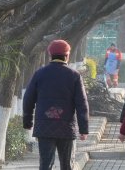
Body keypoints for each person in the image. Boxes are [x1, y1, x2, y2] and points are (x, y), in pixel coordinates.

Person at [22, 39, 90, 170]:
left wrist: (28, 122)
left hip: (44, 127)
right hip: (66, 128)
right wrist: (83, 129)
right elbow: (82, 104)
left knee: (45, 164)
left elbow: (28, 99)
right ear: (67, 55)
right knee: (66, 165)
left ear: (50, 55)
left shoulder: (39, 74)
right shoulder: (74, 75)